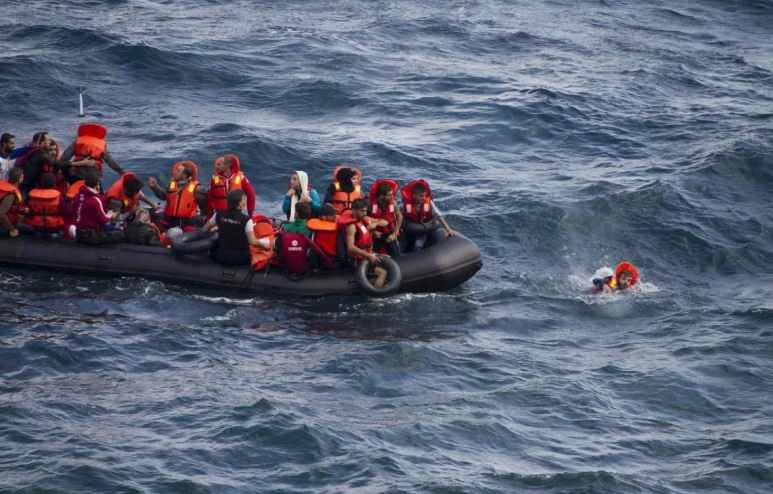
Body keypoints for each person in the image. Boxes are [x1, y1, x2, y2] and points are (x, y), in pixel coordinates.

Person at [16, 132, 90, 196]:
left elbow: (68, 175)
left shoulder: (58, 162)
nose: (53, 152)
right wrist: (80, 163)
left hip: (55, 191)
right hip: (29, 186)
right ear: (43, 144)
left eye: (55, 149)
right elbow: (56, 163)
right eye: (50, 150)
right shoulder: (41, 156)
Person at [202, 189, 263, 266]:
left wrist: (217, 228)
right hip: (241, 259)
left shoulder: (218, 215)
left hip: (220, 257)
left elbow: (205, 229)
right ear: (240, 203)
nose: (245, 201)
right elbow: (253, 242)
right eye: (244, 199)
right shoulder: (247, 220)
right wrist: (265, 245)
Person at [338, 198, 389, 288]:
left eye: (365, 211)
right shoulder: (351, 227)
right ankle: (376, 295)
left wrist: (375, 224)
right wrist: (369, 256)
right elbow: (350, 248)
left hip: (367, 254)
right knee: (383, 273)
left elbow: (385, 222)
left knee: (388, 258)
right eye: (362, 211)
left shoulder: (364, 219)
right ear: (354, 211)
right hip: (357, 260)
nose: (365, 213)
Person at [60, 123, 126, 186]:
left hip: (78, 172)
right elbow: (109, 159)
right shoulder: (101, 143)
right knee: (95, 187)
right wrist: (121, 171)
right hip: (94, 173)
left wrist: (62, 165)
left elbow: (65, 156)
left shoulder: (78, 140)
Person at [147, 161, 206, 231]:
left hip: (187, 220)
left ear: (184, 176)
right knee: (150, 214)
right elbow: (164, 196)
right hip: (170, 218)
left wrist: (204, 215)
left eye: (178, 171)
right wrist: (154, 187)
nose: (174, 172)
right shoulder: (172, 184)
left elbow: (204, 205)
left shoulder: (197, 188)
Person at [70, 168, 124, 245]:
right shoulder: (95, 200)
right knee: (120, 234)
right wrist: (111, 214)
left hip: (79, 233)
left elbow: (74, 212)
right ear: (97, 185)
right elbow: (105, 219)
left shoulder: (76, 196)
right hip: (91, 236)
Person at [400, 180, 455, 252]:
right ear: (414, 195)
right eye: (421, 195)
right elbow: (398, 215)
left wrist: (448, 229)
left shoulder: (429, 203)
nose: (423, 198)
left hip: (423, 228)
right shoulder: (405, 204)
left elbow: (438, 215)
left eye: (424, 195)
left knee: (417, 245)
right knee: (400, 246)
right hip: (410, 227)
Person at [25, 172, 68, 236]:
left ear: (42, 183)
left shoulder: (32, 196)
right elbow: (65, 212)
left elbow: (28, 210)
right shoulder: (58, 197)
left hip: (36, 227)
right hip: (54, 228)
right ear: (54, 184)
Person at [368, 179, 402, 257]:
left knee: (396, 255)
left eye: (392, 194)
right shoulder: (370, 204)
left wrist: (395, 233)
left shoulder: (393, 203)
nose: (392, 196)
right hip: (375, 234)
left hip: (389, 233)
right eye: (389, 195)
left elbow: (400, 216)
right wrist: (373, 232)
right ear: (381, 196)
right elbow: (364, 219)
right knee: (374, 254)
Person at [0, 167, 28, 237]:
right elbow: (1, 214)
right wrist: (12, 229)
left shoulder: (7, 188)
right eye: (22, 176)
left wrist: (22, 209)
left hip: (7, 222)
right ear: (19, 179)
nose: (23, 178)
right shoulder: (11, 194)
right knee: (31, 232)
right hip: (4, 225)